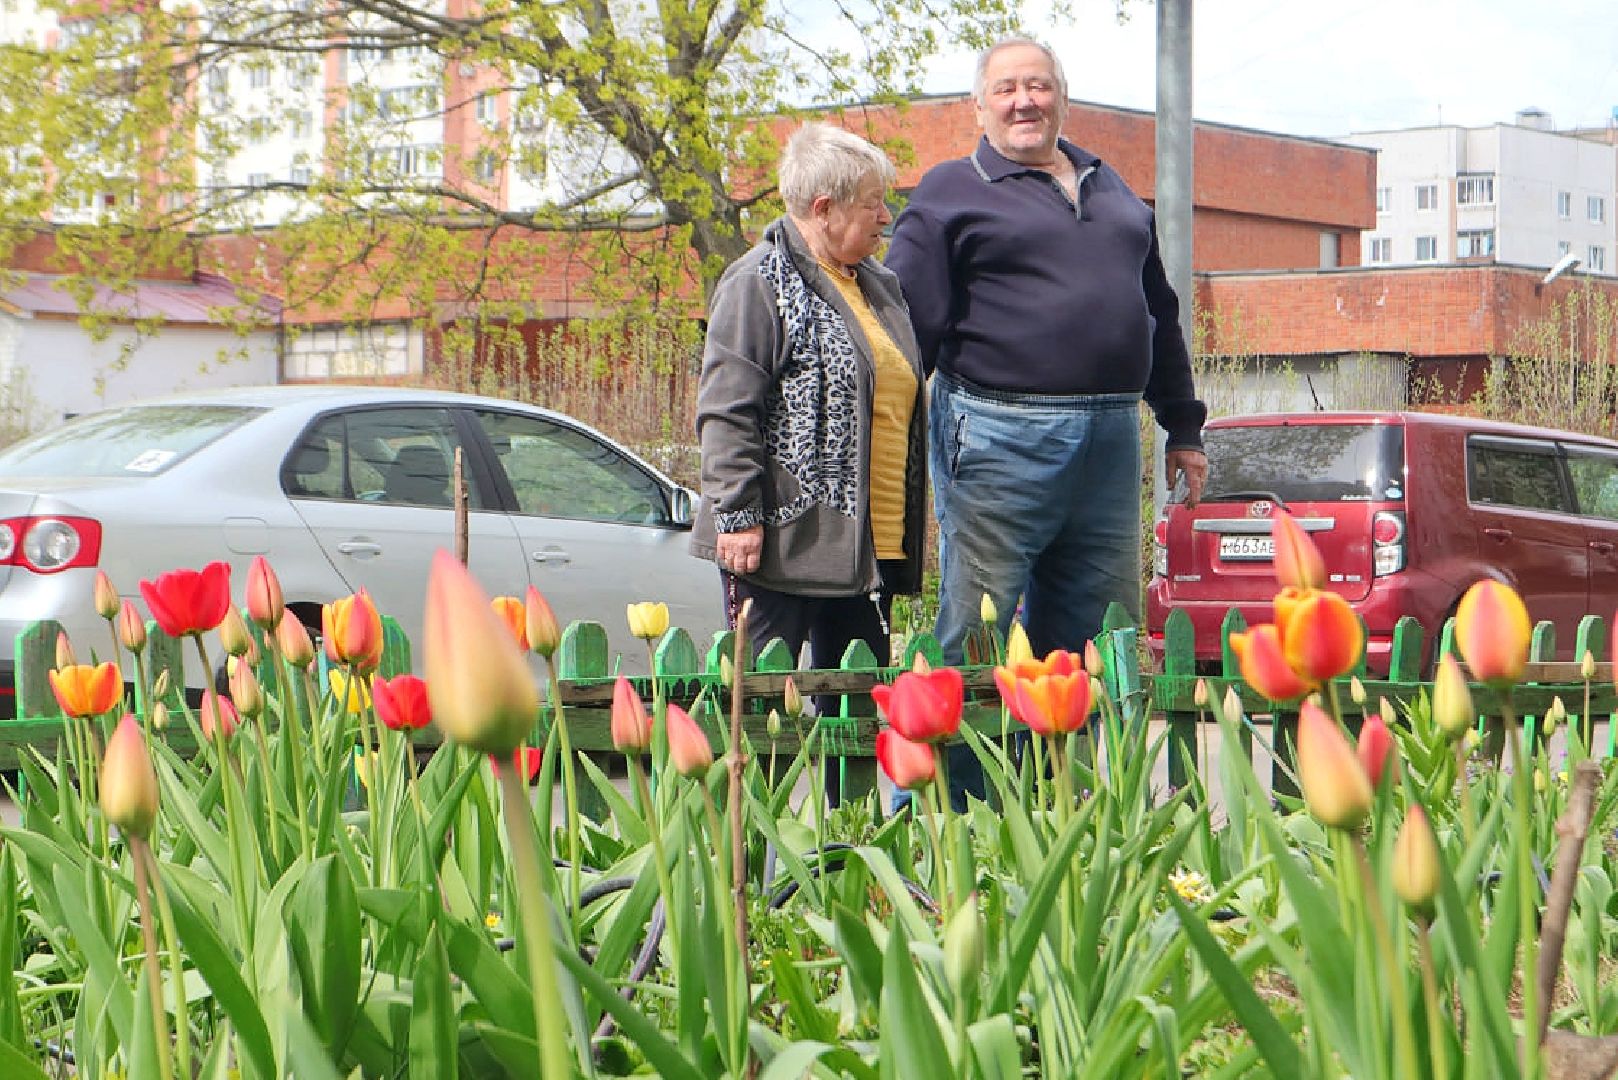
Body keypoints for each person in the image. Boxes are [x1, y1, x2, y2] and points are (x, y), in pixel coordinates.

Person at [886, 35, 1208, 805]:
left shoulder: (1112, 186)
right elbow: (907, 329)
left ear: (1062, 96)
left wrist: (1183, 424)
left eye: (1038, 86)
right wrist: (886, 435)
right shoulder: (948, 192)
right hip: (996, 434)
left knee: (1099, 638)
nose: (1024, 101)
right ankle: (943, 815)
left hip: (1108, 438)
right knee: (981, 632)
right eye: (1006, 89)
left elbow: (1157, 311)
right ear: (979, 106)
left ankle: (1060, 808)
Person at [690, 123, 927, 802]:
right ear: (822, 207)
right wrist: (737, 514)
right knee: (759, 728)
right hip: (780, 547)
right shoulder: (758, 280)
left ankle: (843, 879)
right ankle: (742, 886)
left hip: (866, 550)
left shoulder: (877, 285)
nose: (886, 217)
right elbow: (728, 408)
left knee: (852, 720)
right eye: (872, 205)